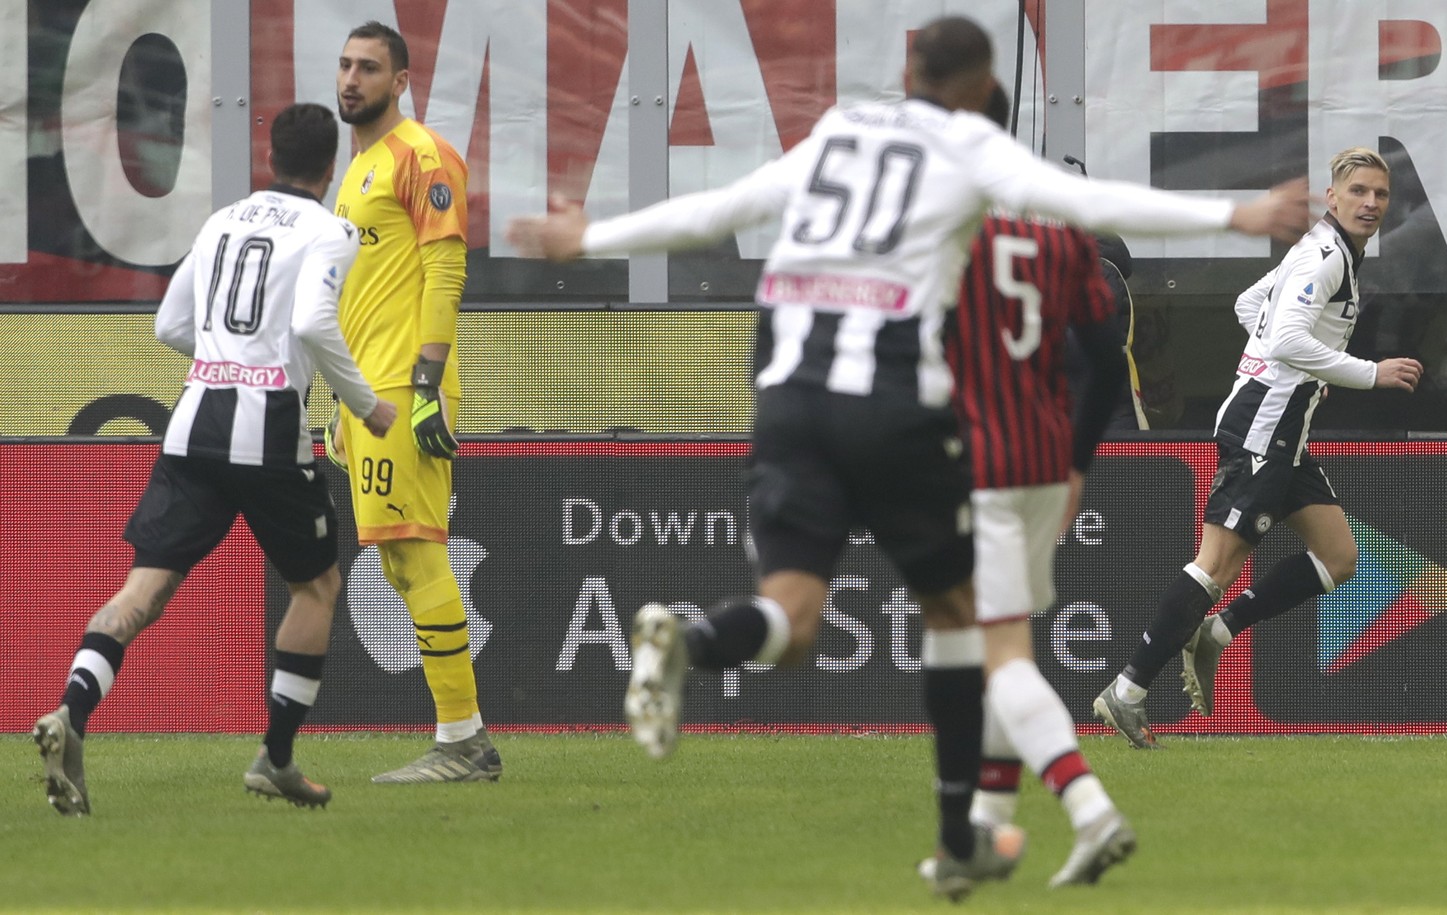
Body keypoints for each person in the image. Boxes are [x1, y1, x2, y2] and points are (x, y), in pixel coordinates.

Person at [510, 15, 1309, 900]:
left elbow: (721, 207)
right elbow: (1092, 210)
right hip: (890, 403)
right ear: (978, 87)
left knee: (793, 615)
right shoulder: (969, 145)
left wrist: (588, 240)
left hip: (781, 401)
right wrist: (1239, 211)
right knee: (968, 626)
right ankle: (971, 829)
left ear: (908, 66)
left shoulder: (839, 131)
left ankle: (693, 639)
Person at [31, 102, 397, 815]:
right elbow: (315, 322)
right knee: (317, 586)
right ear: (332, 169)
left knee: (144, 589)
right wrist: (366, 403)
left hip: (193, 425)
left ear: (271, 160)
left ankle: (72, 709)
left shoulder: (223, 219)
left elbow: (170, 322)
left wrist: (227, 365)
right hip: (268, 438)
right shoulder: (332, 230)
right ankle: (278, 758)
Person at [1093, 147, 1423, 749]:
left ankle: (1215, 634)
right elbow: (1289, 336)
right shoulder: (1324, 258)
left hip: (1283, 429)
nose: (1371, 203)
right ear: (1332, 197)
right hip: (1265, 427)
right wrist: (1368, 372)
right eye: (1358, 192)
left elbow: (1253, 307)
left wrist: (1270, 356)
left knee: (1339, 557)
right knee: (1214, 566)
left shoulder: (1327, 253)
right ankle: (1129, 690)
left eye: (1380, 193)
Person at [920, 84, 1137, 888]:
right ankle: (982, 836)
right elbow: (1108, 362)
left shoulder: (940, 223)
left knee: (1000, 657)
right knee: (1004, 647)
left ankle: (1091, 810)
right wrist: (1079, 463)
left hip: (979, 464)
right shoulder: (1058, 220)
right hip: (1046, 461)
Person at [328, 20, 500, 783]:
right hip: (369, 393)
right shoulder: (359, 168)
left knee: (416, 553)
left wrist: (427, 383)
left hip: (405, 388)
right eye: (344, 65)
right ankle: (461, 736)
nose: (350, 79)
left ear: (401, 80)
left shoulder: (421, 156)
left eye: (368, 68)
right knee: (399, 563)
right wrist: (341, 404)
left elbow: (445, 268)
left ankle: (463, 741)